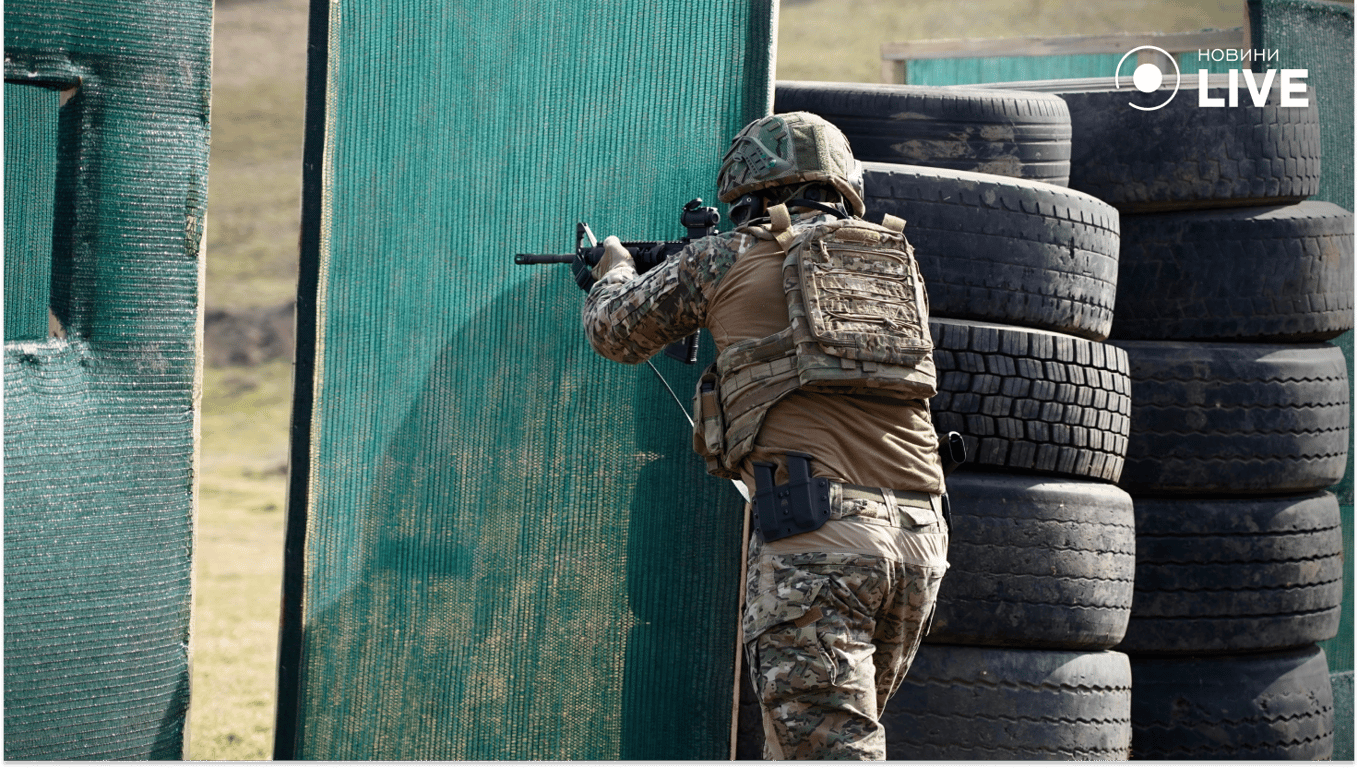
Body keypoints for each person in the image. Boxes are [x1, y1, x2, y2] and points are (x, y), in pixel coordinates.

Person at [581, 112, 949, 761]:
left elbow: (617, 330)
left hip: (821, 532)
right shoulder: (895, 262)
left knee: (826, 749)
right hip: (920, 538)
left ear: (750, 190)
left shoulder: (728, 255)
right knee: (826, 742)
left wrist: (614, 267)